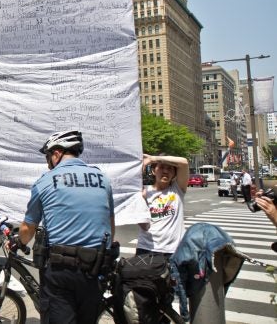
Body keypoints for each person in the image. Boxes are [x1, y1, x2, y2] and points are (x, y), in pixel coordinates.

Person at [17, 130, 115, 324]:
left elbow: (28, 228)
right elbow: (110, 225)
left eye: (48, 157)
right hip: (96, 268)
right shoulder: (102, 178)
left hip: (61, 270)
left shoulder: (45, 181)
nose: (48, 162)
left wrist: (17, 242)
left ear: (57, 153)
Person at [137, 153, 189, 257]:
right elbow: (144, 226)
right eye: (161, 167)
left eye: (170, 168)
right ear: (153, 171)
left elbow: (184, 162)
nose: (165, 171)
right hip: (147, 248)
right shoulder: (143, 192)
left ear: (174, 173)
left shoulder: (177, 189)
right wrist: (140, 203)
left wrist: (153, 159)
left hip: (173, 251)